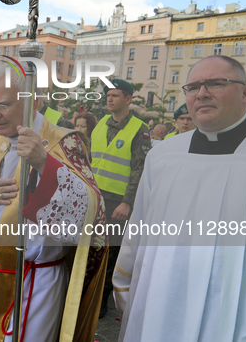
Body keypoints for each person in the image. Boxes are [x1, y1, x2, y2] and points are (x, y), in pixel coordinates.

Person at [113, 55, 246, 342]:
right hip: (153, 307)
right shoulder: (163, 154)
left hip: (231, 318)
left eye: (216, 83)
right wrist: (124, 285)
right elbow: (139, 228)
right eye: (193, 87)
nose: (202, 93)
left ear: (245, 94)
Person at [0, 66, 108, 342]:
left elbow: (92, 210)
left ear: (36, 100)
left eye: (3, 105)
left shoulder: (65, 142)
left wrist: (44, 163)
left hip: (36, 281)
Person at [89, 78, 150, 318]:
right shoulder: (102, 122)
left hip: (117, 201)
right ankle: (85, 294)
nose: (109, 99)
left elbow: (139, 168)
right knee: (90, 248)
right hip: (95, 196)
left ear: (128, 99)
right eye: (108, 95)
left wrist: (128, 202)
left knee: (109, 252)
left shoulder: (139, 128)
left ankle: (101, 301)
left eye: (115, 95)